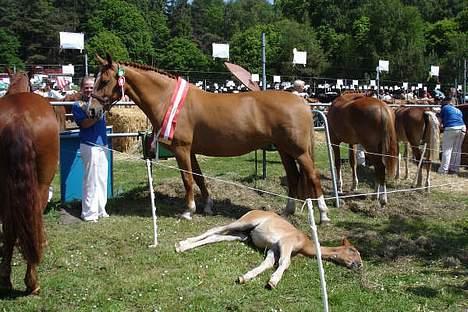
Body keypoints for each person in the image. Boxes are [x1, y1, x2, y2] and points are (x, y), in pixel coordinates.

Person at [71, 76, 109, 221]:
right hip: (89, 145)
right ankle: (89, 213)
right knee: (90, 180)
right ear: (81, 89)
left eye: (91, 87)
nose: (89, 90)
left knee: (101, 179)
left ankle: (101, 209)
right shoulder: (78, 105)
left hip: (103, 144)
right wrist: (99, 112)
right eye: (86, 87)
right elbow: (85, 124)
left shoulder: (98, 102)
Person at [437, 95, 466, 174]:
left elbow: (439, 122)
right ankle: (454, 169)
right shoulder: (458, 110)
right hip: (462, 128)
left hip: (451, 128)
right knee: (457, 150)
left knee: (447, 149)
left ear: (446, 102)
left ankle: (443, 169)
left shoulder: (444, 108)